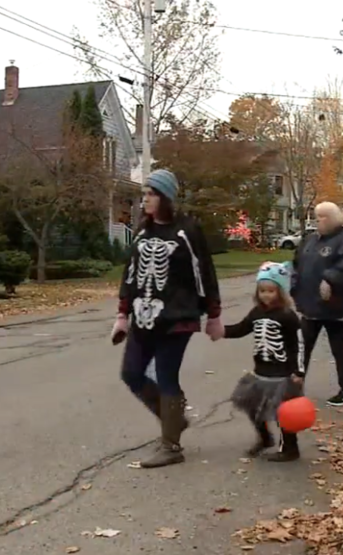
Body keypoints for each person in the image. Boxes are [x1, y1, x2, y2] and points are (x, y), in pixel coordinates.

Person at [112, 169, 223, 469]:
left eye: (151, 194)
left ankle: (171, 445)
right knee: (131, 373)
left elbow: (205, 273)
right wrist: (122, 315)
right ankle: (172, 420)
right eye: (144, 193)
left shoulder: (187, 231)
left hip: (178, 319)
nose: (145, 199)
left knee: (166, 377)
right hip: (143, 318)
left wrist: (214, 315)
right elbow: (130, 275)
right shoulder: (143, 232)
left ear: (165, 197)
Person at [226, 262, 305, 462]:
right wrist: (221, 332)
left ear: (280, 292)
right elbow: (241, 329)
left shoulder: (288, 316)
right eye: (262, 291)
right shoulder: (256, 313)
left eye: (271, 291)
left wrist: (299, 371)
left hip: (282, 374)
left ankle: (290, 448)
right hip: (261, 372)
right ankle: (264, 438)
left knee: (284, 413)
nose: (266, 295)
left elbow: (299, 344)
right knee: (252, 405)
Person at [292, 201, 343, 407]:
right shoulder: (310, 240)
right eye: (316, 216)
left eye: (322, 217)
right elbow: (297, 263)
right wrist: (293, 286)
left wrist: (330, 279)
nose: (317, 220)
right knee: (301, 349)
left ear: (332, 219)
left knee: (338, 349)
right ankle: (294, 388)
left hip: (333, 306)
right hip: (309, 305)